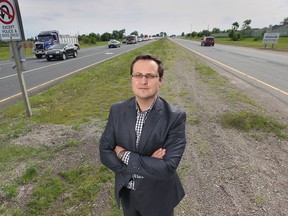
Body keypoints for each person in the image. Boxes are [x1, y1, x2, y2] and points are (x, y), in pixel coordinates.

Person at [99, 54, 186, 216]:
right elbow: (104, 151)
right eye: (138, 75)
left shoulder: (175, 117)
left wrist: (123, 154)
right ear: (132, 78)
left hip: (158, 196)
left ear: (160, 80)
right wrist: (144, 165)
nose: (143, 81)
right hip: (128, 194)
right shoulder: (117, 110)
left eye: (150, 76)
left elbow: (167, 168)